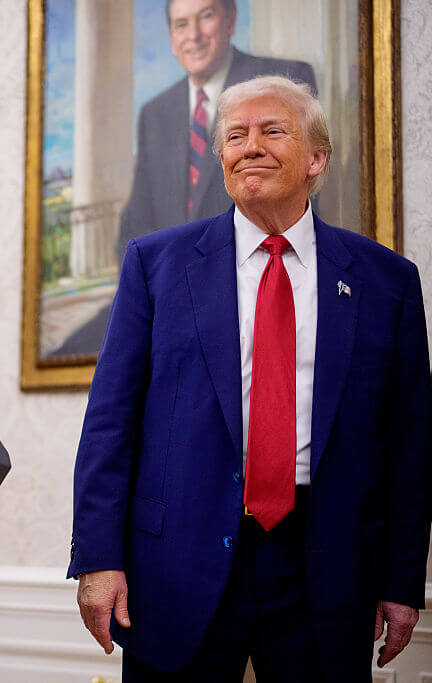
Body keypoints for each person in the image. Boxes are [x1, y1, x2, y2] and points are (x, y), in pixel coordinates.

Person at [68, 75, 431, 681]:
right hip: (177, 558)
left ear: (317, 159)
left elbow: (410, 445)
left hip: (327, 563)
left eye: (272, 131)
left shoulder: (386, 281)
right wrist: (98, 559)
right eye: (235, 135)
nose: (250, 146)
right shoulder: (155, 265)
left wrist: (401, 581)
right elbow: (110, 422)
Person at [53, 0, 317, 357]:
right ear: (171, 35)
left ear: (230, 19)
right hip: (167, 303)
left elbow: (308, 201)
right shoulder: (154, 114)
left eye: (205, 16)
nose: (192, 35)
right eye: (180, 25)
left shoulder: (284, 82)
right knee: (70, 349)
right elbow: (138, 222)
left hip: (251, 293)